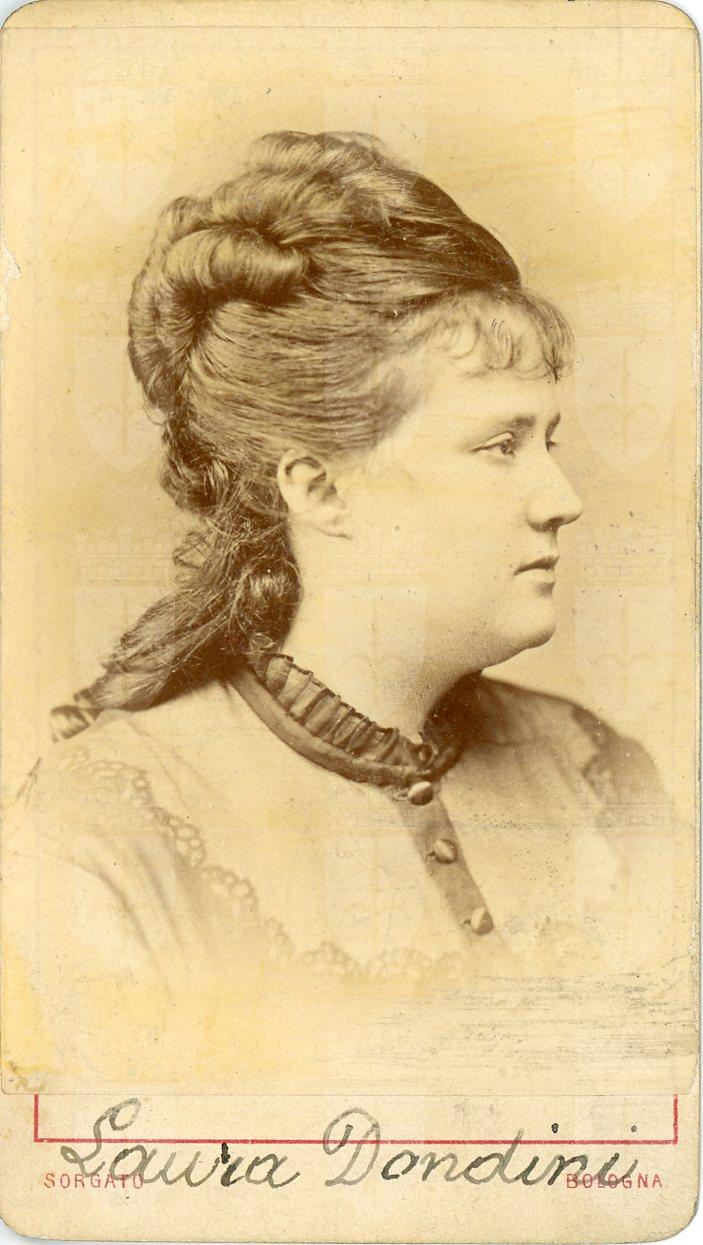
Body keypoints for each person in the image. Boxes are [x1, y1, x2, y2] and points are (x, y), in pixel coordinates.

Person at [3, 131, 691, 1095]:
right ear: (319, 488)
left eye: (549, 440)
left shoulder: (601, 777)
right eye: (499, 445)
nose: (560, 497)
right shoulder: (104, 826)